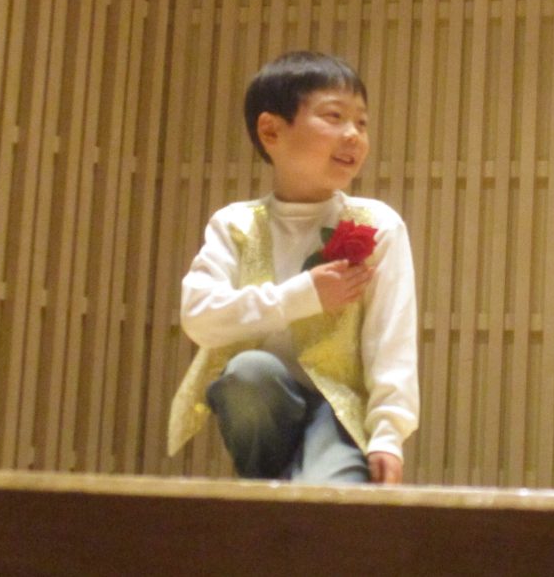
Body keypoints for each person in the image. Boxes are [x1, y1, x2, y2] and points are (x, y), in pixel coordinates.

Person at [167, 51, 418, 484]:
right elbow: (199, 317)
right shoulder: (235, 224)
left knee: (328, 497)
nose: (354, 135)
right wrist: (302, 296)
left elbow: (391, 339)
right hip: (264, 407)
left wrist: (387, 436)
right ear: (271, 130)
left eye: (361, 123)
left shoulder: (378, 225)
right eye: (334, 116)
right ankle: (269, 486)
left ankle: (279, 491)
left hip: (340, 412)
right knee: (248, 372)